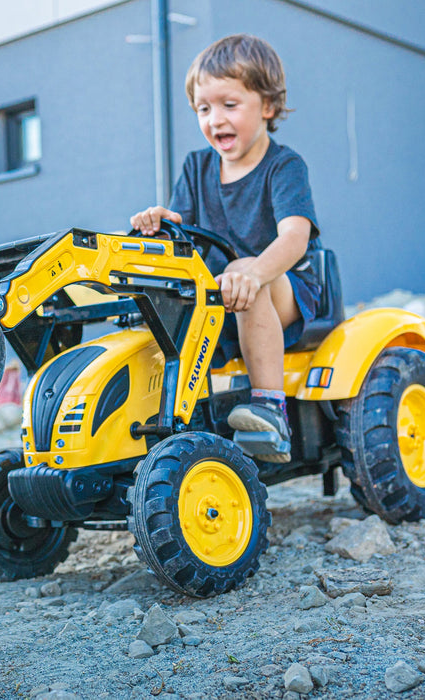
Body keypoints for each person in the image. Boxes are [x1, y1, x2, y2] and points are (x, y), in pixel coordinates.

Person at [130, 34, 321, 463]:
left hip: (283, 287)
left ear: (267, 107)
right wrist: (159, 226)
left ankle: (271, 410)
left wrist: (253, 273)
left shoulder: (284, 166)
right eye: (204, 108)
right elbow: (183, 236)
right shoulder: (196, 167)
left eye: (229, 105)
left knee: (245, 271)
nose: (215, 119)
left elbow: (295, 236)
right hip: (220, 290)